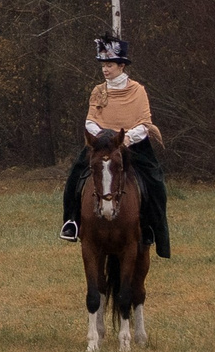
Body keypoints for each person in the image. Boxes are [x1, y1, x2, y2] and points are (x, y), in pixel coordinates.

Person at [59, 35, 168, 256]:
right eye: (103, 65)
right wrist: (103, 138)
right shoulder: (98, 91)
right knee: (74, 178)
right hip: (101, 145)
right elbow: (90, 121)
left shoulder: (138, 90)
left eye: (109, 65)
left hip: (133, 145)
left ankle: (151, 228)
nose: (105, 70)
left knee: (155, 183)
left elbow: (145, 123)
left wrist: (126, 139)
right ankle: (72, 222)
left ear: (121, 66)